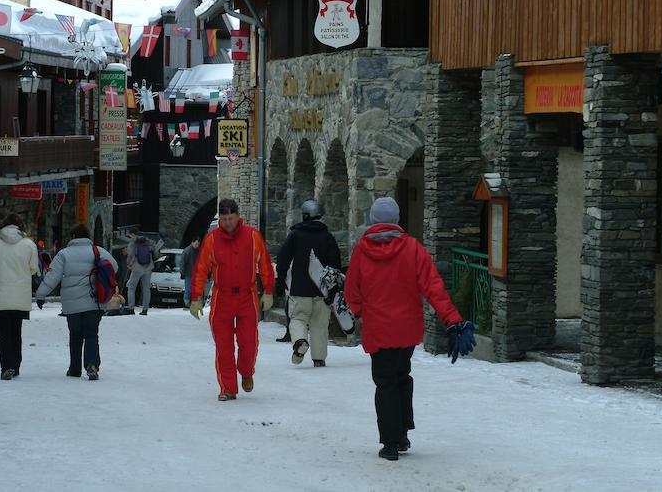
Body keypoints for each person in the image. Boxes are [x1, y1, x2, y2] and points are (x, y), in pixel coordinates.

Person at [346, 197, 475, 461]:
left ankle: (390, 442)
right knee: (402, 376)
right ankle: (402, 433)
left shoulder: (361, 251)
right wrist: (452, 319)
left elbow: (351, 291)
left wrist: (362, 313)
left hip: (378, 329)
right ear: (396, 220)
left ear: (372, 221)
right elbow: (433, 288)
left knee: (385, 384)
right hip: (406, 329)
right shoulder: (413, 248)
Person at [190, 198, 275, 401]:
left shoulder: (253, 236)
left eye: (231, 218)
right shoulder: (211, 239)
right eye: (225, 219)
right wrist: (196, 297)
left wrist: (269, 291)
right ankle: (228, 388)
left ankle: (246, 372)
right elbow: (201, 269)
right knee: (223, 345)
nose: (228, 223)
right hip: (222, 297)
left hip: (247, 296)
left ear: (238, 216)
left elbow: (264, 265)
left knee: (248, 342)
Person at [35, 223, 117, 380]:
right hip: (95, 301)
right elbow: (114, 267)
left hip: (72, 305)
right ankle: (92, 364)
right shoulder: (98, 251)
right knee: (92, 334)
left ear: (73, 237)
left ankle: (74, 369)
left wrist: (41, 295)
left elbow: (53, 276)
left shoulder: (64, 254)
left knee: (75, 335)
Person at [275, 198, 342, 368]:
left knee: (297, 318)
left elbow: (283, 259)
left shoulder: (295, 235)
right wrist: (333, 290)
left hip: (299, 288)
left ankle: (299, 341)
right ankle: (319, 358)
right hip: (322, 290)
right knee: (320, 324)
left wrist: (280, 281)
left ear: (305, 215)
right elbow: (335, 265)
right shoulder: (328, 237)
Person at [0, 213, 38, 380]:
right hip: (20, 294)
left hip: (0, 294)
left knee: (3, 333)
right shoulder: (29, 244)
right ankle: (16, 365)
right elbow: (33, 268)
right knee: (16, 331)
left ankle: (6, 366)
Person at [125, 230, 156, 315]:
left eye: (130, 235)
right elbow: (155, 251)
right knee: (146, 289)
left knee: (131, 287)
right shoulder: (149, 241)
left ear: (133, 234)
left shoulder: (133, 243)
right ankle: (145, 309)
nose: (130, 237)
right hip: (148, 267)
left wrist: (128, 264)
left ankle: (131, 308)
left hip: (137, 268)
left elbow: (130, 255)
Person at [179, 236, 201, 308]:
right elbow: (182, 262)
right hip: (188, 273)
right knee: (188, 289)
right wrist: (182, 272)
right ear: (192, 242)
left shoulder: (198, 251)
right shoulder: (187, 251)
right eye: (196, 244)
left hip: (196, 273)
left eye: (198, 244)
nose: (197, 246)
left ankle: (194, 302)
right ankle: (187, 303)